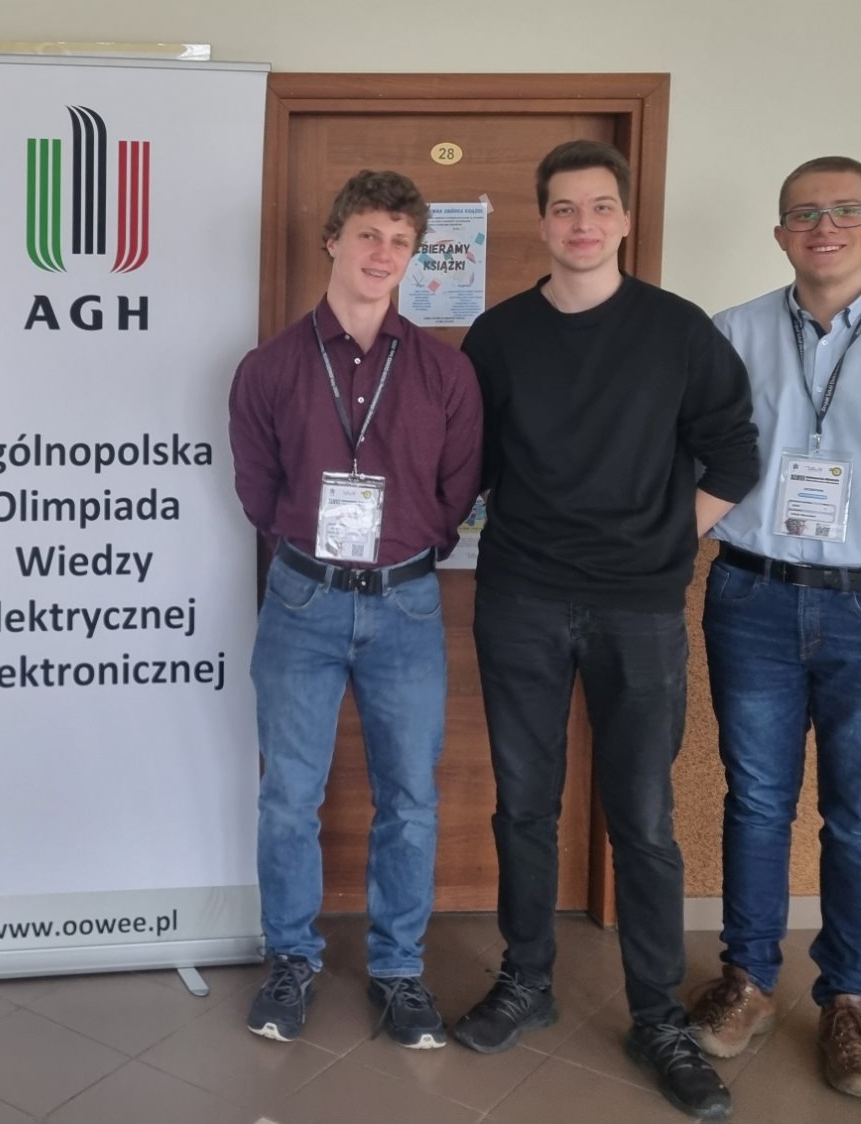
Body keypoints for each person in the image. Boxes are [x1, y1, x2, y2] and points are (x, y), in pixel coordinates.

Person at [452, 140, 759, 1121]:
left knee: (643, 820)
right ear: (540, 222)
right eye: (562, 208)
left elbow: (734, 453)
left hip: (639, 608)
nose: (580, 224)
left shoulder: (678, 331)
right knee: (523, 805)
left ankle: (656, 1017)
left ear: (624, 219)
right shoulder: (498, 336)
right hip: (521, 600)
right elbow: (465, 466)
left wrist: (669, 540)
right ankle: (526, 980)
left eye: (597, 207)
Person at [687, 157, 861, 1102]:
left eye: (848, 210)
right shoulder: (731, 334)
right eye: (804, 214)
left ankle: (849, 1001)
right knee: (756, 800)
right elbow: (704, 456)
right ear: (780, 234)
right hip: (753, 596)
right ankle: (747, 981)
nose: (826, 227)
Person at [226, 170, 483, 1050]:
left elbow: (458, 492)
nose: (383, 253)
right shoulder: (269, 367)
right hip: (301, 599)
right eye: (368, 234)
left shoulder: (446, 373)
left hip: (406, 606)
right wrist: (318, 551)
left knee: (410, 798)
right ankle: (291, 961)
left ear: (414, 257)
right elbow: (258, 491)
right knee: (287, 797)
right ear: (333, 239)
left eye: (400, 241)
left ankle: (399, 970)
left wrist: (406, 549)